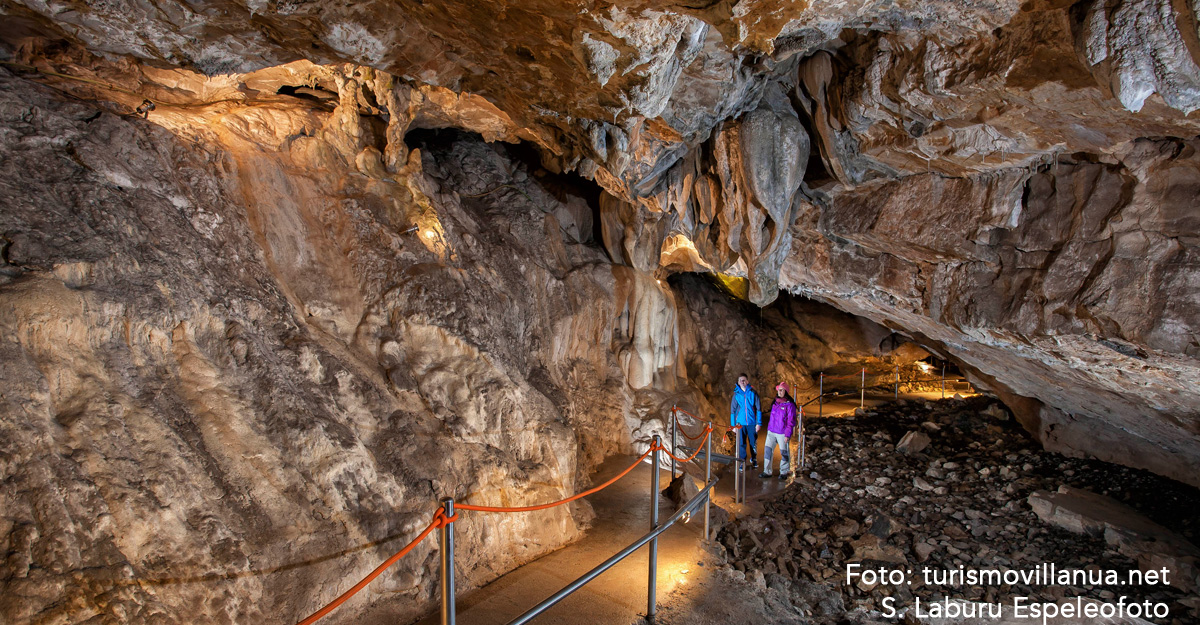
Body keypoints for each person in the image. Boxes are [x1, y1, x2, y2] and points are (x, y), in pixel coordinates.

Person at [760, 382, 797, 479]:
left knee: (784, 453)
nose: (779, 392)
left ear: (786, 391)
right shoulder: (775, 402)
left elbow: (791, 421)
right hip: (771, 431)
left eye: (781, 390)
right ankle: (767, 471)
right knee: (768, 451)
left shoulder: (790, 405)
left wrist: (787, 434)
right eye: (778, 390)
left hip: (782, 432)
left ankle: (784, 472)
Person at [729, 373, 761, 469]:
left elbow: (758, 408)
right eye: (740, 380)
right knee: (741, 443)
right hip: (740, 424)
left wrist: (759, 423)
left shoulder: (753, 393)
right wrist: (733, 425)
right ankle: (742, 461)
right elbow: (732, 411)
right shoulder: (736, 395)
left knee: (753, 442)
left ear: (747, 381)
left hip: (752, 422)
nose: (742, 382)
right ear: (738, 383)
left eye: (744, 380)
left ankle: (754, 458)